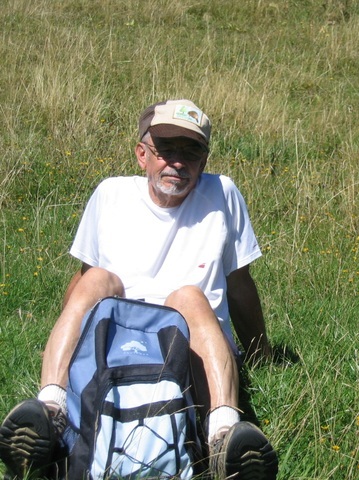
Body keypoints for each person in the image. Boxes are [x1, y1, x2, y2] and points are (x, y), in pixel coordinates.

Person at [0, 99, 279, 479]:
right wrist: (66, 350)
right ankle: (51, 411)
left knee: (189, 297)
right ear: (142, 155)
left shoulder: (223, 195)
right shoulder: (110, 195)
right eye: (166, 149)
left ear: (205, 160)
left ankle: (223, 435)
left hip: (194, 345)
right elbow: (82, 285)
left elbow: (239, 285)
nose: (177, 162)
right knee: (98, 278)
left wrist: (259, 351)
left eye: (191, 151)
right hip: (117, 341)